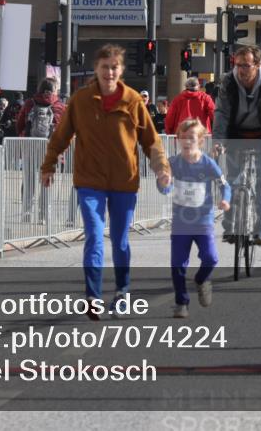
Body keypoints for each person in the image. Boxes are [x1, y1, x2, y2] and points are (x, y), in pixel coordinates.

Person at [41, 44, 171, 319]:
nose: (109, 72)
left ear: (121, 70)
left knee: (121, 241)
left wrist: (161, 168)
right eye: (104, 67)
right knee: (94, 236)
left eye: (114, 68)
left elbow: (151, 141)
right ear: (97, 70)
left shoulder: (134, 101)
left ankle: (122, 291)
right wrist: (48, 165)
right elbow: (61, 136)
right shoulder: (81, 100)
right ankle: (93, 296)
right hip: (89, 181)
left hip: (125, 181)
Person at [213, 45, 261, 245]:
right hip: (237, 134)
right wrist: (219, 142)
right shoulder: (229, 81)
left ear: (258, 64)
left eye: (246, 65)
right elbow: (222, 112)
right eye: (238, 65)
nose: (241, 70)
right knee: (234, 181)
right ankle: (231, 227)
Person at [163, 118, 230, 319]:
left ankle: (202, 280)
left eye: (191, 137)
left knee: (211, 258)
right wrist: (164, 183)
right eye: (182, 137)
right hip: (181, 222)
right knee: (178, 265)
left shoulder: (208, 164)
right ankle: (181, 303)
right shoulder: (173, 162)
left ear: (200, 141)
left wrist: (225, 200)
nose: (186, 141)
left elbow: (224, 185)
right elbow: (163, 186)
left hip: (203, 221)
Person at [20, 79, 67, 224]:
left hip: (30, 147)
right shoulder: (59, 106)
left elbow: (20, 123)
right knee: (46, 181)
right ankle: (42, 216)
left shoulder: (29, 103)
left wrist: (23, 137)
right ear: (54, 90)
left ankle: (26, 214)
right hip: (50, 151)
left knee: (28, 181)